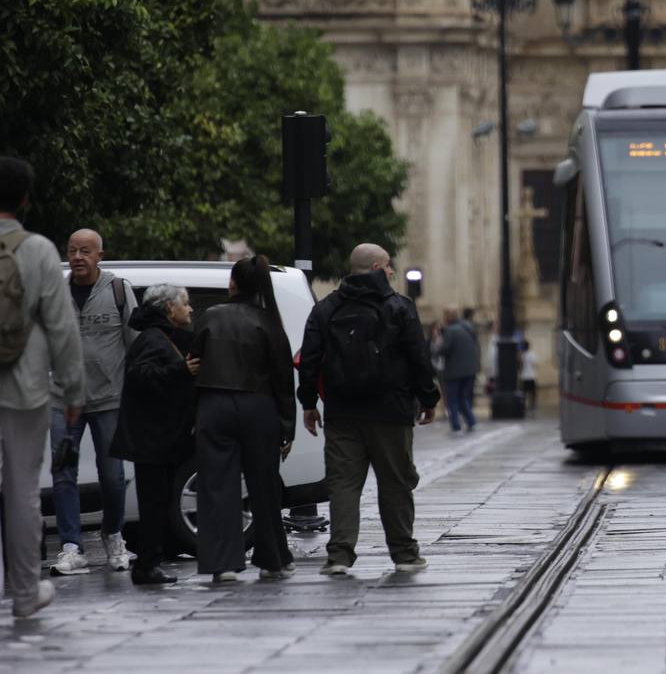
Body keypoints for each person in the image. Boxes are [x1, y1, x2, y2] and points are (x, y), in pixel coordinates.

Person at [298, 243, 440, 575]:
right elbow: (418, 358)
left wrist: (308, 403)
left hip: (342, 413)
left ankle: (340, 556)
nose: (392, 271)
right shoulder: (399, 307)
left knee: (343, 485)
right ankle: (404, 554)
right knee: (395, 483)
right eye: (389, 266)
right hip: (391, 412)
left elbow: (309, 360)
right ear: (377, 267)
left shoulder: (327, 309)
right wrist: (428, 399)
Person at [0, 157, 83, 617]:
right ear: (25, 199)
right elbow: (63, 329)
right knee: (22, 490)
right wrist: (73, 391)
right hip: (26, 385)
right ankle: (26, 593)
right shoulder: (39, 251)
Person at [190, 255, 294, 583]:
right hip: (259, 407)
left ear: (233, 283)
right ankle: (272, 558)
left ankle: (223, 562)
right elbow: (282, 380)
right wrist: (287, 427)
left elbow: (194, 361)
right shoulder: (269, 322)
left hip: (214, 404)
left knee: (218, 486)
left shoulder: (211, 316)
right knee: (264, 487)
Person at [49, 228, 137, 576]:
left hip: (110, 399)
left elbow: (136, 342)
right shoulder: (54, 292)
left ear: (100, 254)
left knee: (113, 476)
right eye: (72, 250)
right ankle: (72, 547)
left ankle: (113, 535)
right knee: (63, 472)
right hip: (62, 399)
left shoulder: (118, 290)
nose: (77, 257)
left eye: (85, 250)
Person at [109, 284, 198, 585]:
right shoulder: (152, 338)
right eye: (185, 304)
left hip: (160, 438)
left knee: (158, 502)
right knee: (153, 503)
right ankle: (146, 565)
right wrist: (181, 371)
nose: (190, 309)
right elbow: (140, 377)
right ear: (169, 308)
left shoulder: (162, 337)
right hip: (151, 440)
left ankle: (151, 561)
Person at [437, 306, 480, 433]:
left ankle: (456, 425)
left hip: (455, 371)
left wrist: (438, 346)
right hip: (470, 370)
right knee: (463, 397)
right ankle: (471, 421)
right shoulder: (468, 327)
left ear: (448, 317)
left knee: (452, 399)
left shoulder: (450, 330)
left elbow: (444, 349)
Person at [520, 339, 538, 415]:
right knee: (532, 393)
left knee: (525, 393)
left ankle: (526, 406)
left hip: (525, 376)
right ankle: (532, 406)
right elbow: (535, 365)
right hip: (531, 376)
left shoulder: (522, 355)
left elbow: (520, 366)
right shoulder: (532, 354)